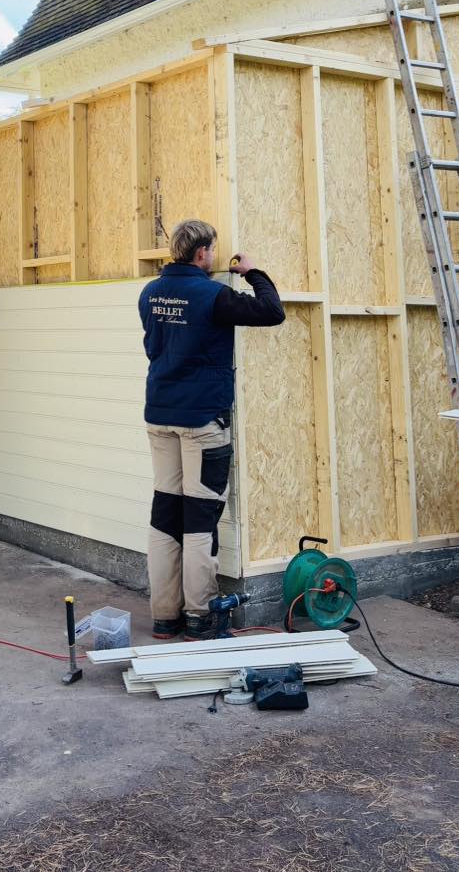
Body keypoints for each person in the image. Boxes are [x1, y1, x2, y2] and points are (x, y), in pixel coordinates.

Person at [138, 219, 284, 640]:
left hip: (159, 416)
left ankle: (165, 616)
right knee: (200, 519)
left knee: (166, 514)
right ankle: (200, 616)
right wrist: (252, 272)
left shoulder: (150, 293)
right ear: (202, 253)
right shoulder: (212, 296)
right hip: (201, 422)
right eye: (213, 251)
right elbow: (272, 312)